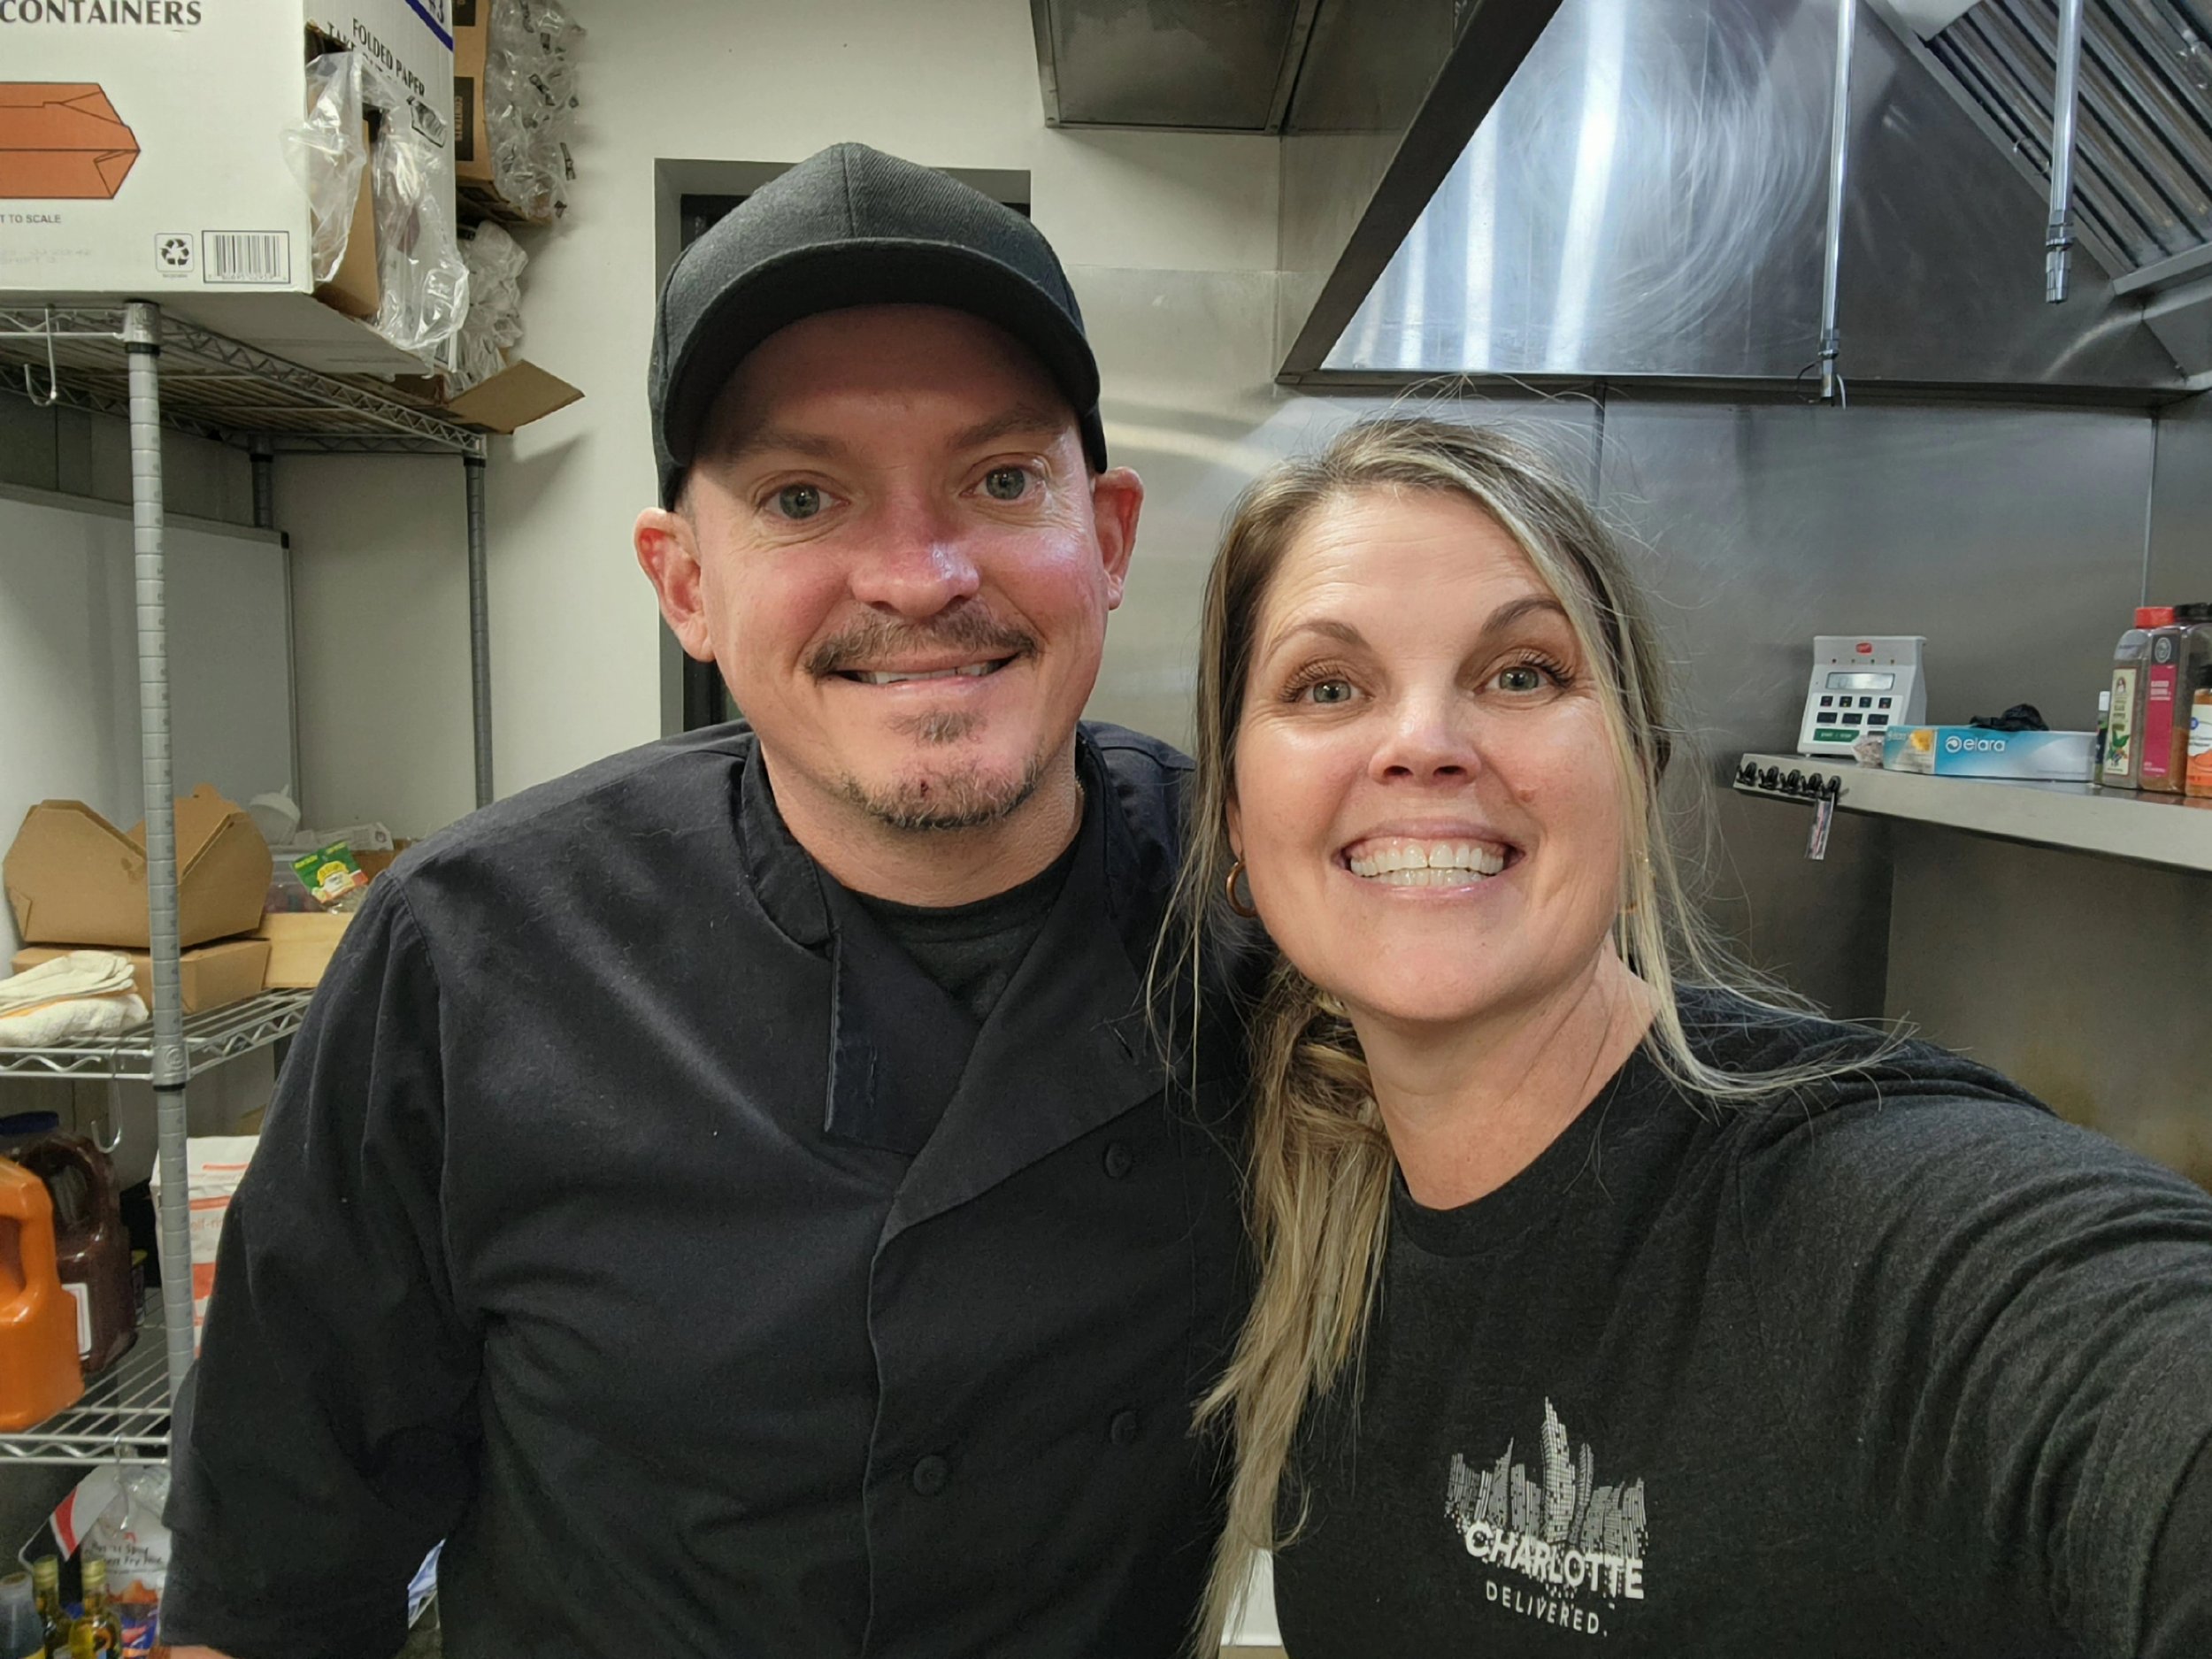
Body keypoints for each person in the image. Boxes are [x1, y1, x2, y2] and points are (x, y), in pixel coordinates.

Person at [159, 143, 1248, 1659]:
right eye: (804, 497)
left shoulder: (1267, 917)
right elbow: (274, 1577)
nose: (921, 575)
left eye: (1001, 481)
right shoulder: (469, 956)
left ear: (1108, 538)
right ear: (684, 586)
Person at [1174, 415, 2212, 1656]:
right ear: (1237, 821)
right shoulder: (1325, 1212)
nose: (1424, 746)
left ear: (1637, 778)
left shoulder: (1860, 1223)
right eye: (1327, 686)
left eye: (1522, 673)